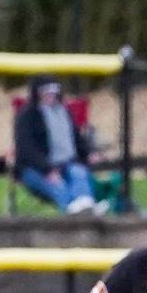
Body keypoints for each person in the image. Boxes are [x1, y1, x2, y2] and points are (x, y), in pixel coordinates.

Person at [13, 74, 101, 214]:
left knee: (79, 173)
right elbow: (26, 149)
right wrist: (47, 170)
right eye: (45, 91)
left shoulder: (64, 112)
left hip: (66, 164)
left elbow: (77, 139)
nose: (50, 94)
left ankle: (86, 208)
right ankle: (74, 213)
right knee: (58, 185)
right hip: (35, 169)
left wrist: (89, 152)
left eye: (53, 91)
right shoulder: (27, 116)